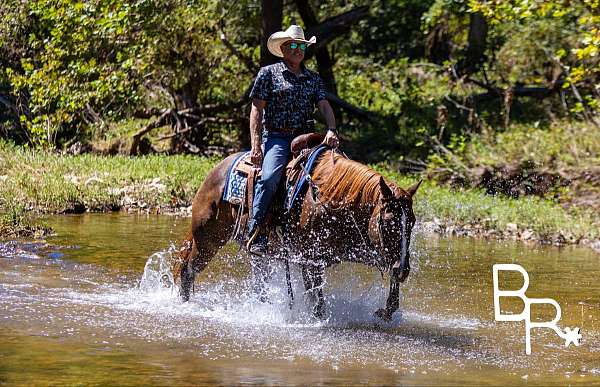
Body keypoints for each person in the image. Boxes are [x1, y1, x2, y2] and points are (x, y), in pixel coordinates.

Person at [246, 25, 339, 257]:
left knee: (334, 174)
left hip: (306, 138)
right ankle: (256, 230)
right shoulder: (268, 74)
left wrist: (332, 129)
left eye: (301, 46)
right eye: (293, 45)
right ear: (284, 48)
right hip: (277, 136)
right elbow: (256, 110)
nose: (298, 50)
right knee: (268, 179)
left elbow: (325, 106)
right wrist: (256, 144)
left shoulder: (313, 79)